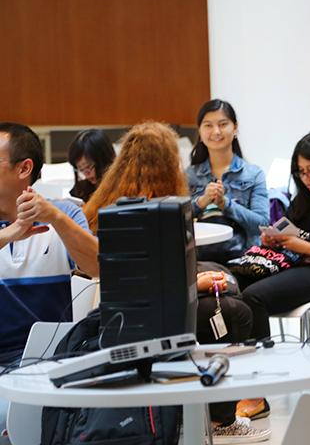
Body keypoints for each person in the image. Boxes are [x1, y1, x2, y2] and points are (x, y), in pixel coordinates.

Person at [83, 122, 266, 443]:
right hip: (152, 312)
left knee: (228, 283)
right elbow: (160, 279)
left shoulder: (110, 199)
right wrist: (199, 284)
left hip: (117, 307)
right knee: (236, 311)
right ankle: (221, 420)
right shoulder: (156, 208)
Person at [0, 122, 100, 434]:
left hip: (46, 362)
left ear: (23, 168)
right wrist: (11, 233)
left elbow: (100, 268)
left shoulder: (64, 214)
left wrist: (55, 218)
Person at [239, 130, 310, 339]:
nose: (306, 179)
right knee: (237, 284)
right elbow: (284, 226)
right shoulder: (305, 198)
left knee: (253, 297)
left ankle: (261, 358)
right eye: (301, 172)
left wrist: (305, 248)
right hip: (298, 264)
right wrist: (271, 239)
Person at [187, 99, 269, 261]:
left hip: (242, 258)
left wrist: (226, 204)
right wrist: (201, 202)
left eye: (223, 124)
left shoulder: (253, 174)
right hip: (198, 259)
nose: (216, 131)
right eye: (208, 125)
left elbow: (263, 224)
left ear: (235, 128)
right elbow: (177, 222)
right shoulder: (189, 175)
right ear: (200, 131)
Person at [67, 129, 116, 202]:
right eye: (81, 169)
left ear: (105, 159)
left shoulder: (123, 186)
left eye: (89, 166)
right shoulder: (80, 190)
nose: (87, 175)